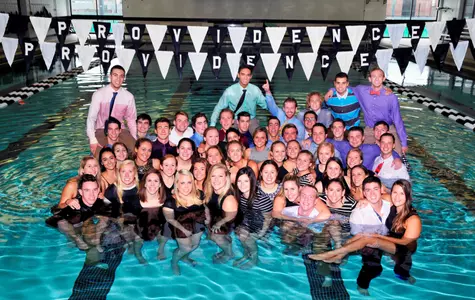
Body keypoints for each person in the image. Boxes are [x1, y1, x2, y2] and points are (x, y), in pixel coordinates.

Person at [310, 179, 421, 288]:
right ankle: (340, 253)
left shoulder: (413, 219)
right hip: (392, 240)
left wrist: (378, 236)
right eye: (395, 192)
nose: (397, 196)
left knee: (371, 239)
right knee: (362, 236)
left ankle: (333, 253)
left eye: (402, 193)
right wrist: (366, 200)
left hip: (405, 247)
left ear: (407, 195)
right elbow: (377, 196)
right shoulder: (392, 203)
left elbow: (405, 241)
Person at [47, 174, 110, 250]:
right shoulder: (74, 207)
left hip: (86, 219)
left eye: (94, 190)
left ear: (98, 190)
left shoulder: (101, 203)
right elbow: (50, 221)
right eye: (87, 190)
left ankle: (97, 238)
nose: (92, 195)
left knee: (105, 218)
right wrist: (74, 237)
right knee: (63, 223)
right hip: (73, 224)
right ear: (80, 192)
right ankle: (76, 240)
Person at [355, 68, 408, 155]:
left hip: (389, 130)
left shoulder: (391, 97)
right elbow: (345, 88)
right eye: (374, 76)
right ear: (369, 78)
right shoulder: (361, 90)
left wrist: (404, 143)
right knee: (360, 154)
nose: (376, 79)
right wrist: (332, 90)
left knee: (398, 155)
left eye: (379, 76)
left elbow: (398, 120)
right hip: (370, 130)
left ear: (384, 78)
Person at [87, 65, 137, 155]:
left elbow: (131, 120)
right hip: (101, 130)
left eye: (121, 76)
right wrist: (92, 139)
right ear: (110, 76)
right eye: (115, 75)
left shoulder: (129, 97)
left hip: (120, 130)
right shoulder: (99, 94)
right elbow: (91, 118)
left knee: (134, 151)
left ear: (124, 78)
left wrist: (134, 138)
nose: (118, 79)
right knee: (98, 154)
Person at [163, 169, 206, 275]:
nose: (186, 186)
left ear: (193, 183)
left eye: (189, 182)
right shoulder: (170, 201)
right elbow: (170, 219)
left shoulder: (199, 195)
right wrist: (184, 230)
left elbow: (205, 211)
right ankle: (174, 262)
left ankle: (185, 258)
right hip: (180, 228)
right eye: (182, 183)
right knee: (185, 248)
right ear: (177, 184)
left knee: (195, 245)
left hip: (198, 226)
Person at [234, 167, 273, 269]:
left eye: (246, 181)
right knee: (241, 235)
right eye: (239, 181)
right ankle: (247, 254)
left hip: (264, 226)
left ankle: (254, 259)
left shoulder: (261, 199)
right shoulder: (241, 197)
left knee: (249, 240)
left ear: (252, 181)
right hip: (251, 222)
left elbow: (268, 219)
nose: (242, 184)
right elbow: (245, 214)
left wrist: (260, 233)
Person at [210, 65, 268, 133]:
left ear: (251, 76)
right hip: (235, 120)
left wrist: (268, 92)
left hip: (251, 120)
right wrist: (212, 126)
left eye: (248, 75)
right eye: (243, 74)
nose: (245, 77)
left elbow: (267, 105)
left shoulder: (255, 90)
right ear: (238, 75)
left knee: (259, 136)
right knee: (231, 138)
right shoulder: (230, 91)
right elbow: (218, 107)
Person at [204, 163, 238, 263]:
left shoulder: (228, 198)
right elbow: (208, 206)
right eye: (213, 176)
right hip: (217, 220)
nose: (216, 180)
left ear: (226, 178)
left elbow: (231, 217)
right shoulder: (210, 192)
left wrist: (218, 225)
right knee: (212, 235)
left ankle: (229, 253)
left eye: (220, 176)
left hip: (228, 224)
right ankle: (224, 247)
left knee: (215, 236)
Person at [135, 169, 166, 260]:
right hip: (140, 230)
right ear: (144, 184)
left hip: (158, 229)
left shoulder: (165, 202)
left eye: (156, 181)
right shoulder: (136, 201)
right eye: (149, 180)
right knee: (137, 238)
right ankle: (139, 255)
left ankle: (160, 250)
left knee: (164, 232)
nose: (152, 184)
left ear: (160, 184)